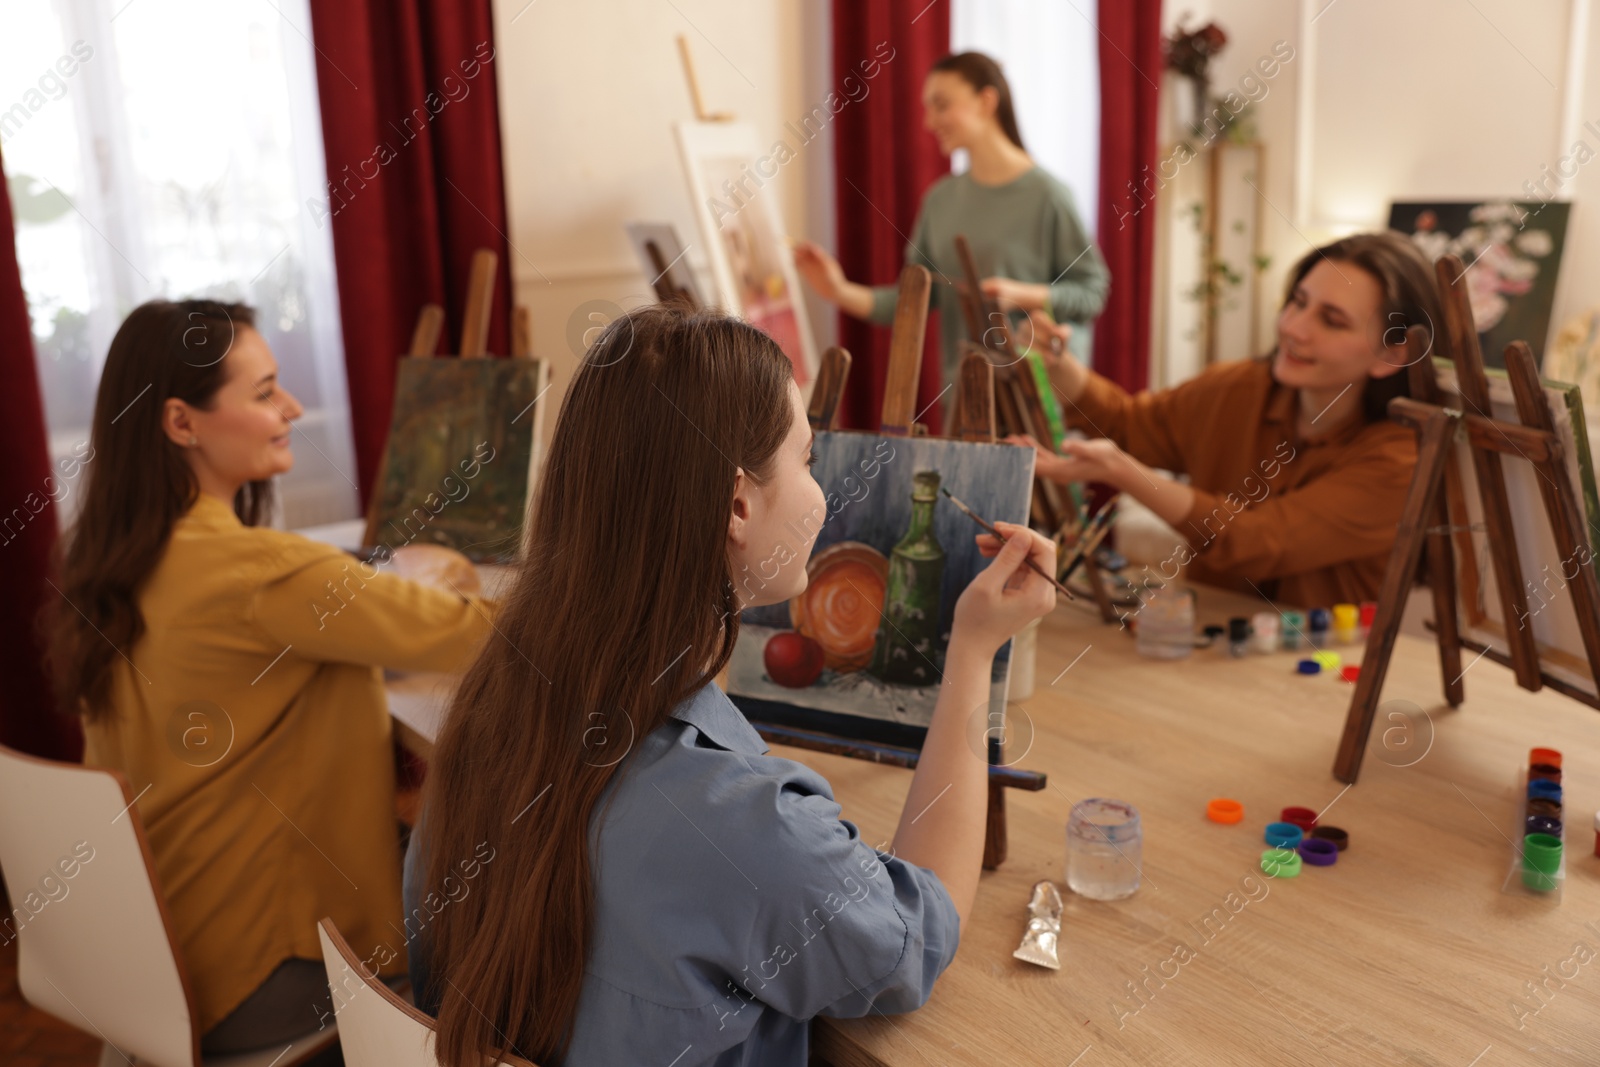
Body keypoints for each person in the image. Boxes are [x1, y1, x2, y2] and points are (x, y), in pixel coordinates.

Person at [405, 306, 1057, 1067]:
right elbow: (915, 941)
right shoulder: (748, 828)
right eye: (809, 459)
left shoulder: (490, 710)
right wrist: (973, 651)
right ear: (738, 504)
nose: (821, 494)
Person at [47, 300, 496, 1053]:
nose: (290, 407)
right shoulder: (264, 574)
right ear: (182, 424)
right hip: (266, 973)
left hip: (155, 961)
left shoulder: (119, 558)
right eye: (263, 393)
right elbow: (480, 637)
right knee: (512, 924)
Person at [1013, 231, 1445, 608]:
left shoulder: (1402, 459)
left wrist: (1128, 474)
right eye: (1298, 302)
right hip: (1205, 640)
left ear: (1393, 354)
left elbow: (1254, 543)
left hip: (1326, 664)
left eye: (1331, 321)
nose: (1294, 328)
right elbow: (1129, 426)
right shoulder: (1238, 388)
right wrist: (1061, 368)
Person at [794, 51, 1109, 408]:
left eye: (941, 105)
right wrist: (837, 290)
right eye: (927, 108)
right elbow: (914, 300)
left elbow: (1091, 292)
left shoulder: (1049, 196)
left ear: (986, 101)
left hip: (1040, 406)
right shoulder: (940, 200)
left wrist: (1021, 295)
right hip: (964, 407)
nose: (929, 122)